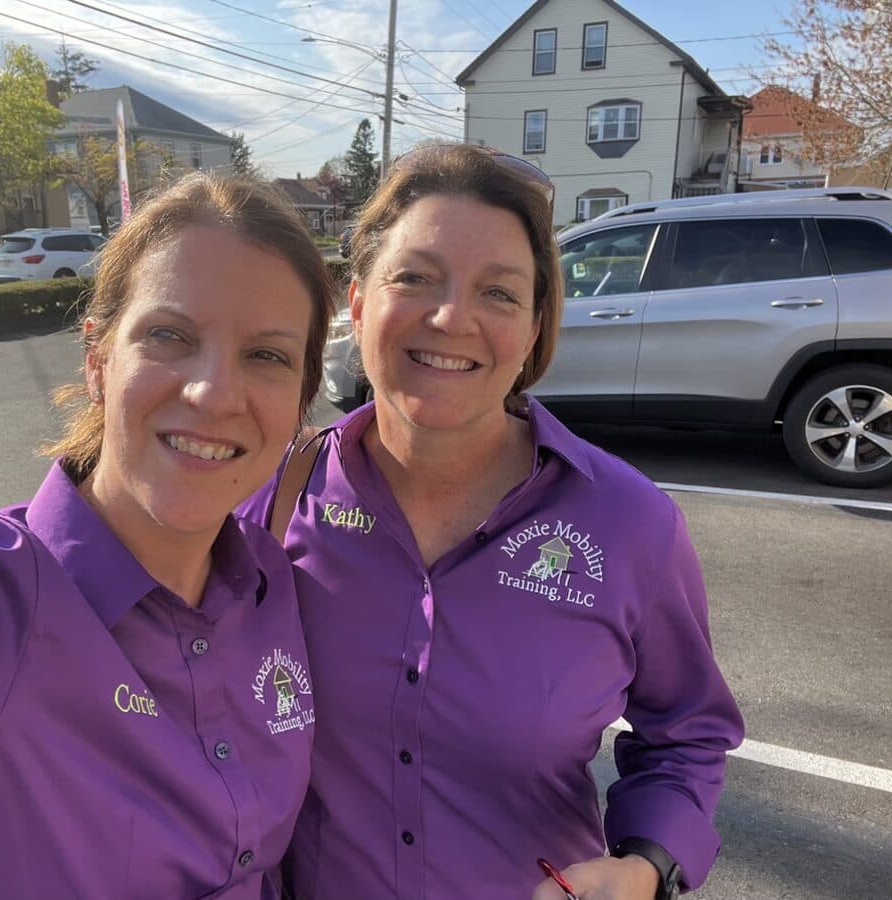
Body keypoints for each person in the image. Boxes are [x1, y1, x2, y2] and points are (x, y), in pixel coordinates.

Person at [0, 173, 335, 899]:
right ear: (97, 360)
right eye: (170, 336)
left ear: (301, 398)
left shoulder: (273, 587)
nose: (213, 392)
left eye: (266, 355)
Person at [239, 144, 744, 900]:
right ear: (356, 302)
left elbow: (688, 730)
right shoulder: (276, 494)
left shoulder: (630, 524)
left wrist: (647, 864)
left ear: (537, 325)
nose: (450, 318)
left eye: (499, 294)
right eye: (413, 277)